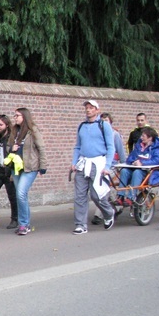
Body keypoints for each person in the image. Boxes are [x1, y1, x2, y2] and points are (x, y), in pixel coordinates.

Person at [71, 100, 115, 234]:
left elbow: (110, 147)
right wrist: (74, 162)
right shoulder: (82, 126)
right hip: (83, 163)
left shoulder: (104, 126)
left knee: (97, 195)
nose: (88, 110)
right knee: (80, 196)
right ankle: (80, 224)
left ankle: (108, 213)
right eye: (87, 108)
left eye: (91, 108)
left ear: (97, 110)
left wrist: (107, 166)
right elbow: (78, 146)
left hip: (98, 163)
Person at [6, 108, 47, 235]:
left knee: (21, 193)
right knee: (21, 196)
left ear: (24, 116)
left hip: (30, 167)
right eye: (14, 115)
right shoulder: (14, 131)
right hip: (16, 168)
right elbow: (8, 147)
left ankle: (23, 224)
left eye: (17, 115)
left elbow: (41, 147)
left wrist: (43, 165)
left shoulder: (32, 130)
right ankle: (26, 223)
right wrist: (11, 148)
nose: (15, 118)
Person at [116, 127, 159, 205]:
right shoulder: (139, 146)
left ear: (150, 138)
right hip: (134, 168)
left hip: (147, 172)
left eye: (143, 136)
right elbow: (130, 157)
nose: (141, 138)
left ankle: (131, 197)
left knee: (137, 172)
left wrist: (142, 162)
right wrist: (134, 161)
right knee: (124, 171)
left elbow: (157, 160)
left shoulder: (157, 148)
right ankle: (120, 196)